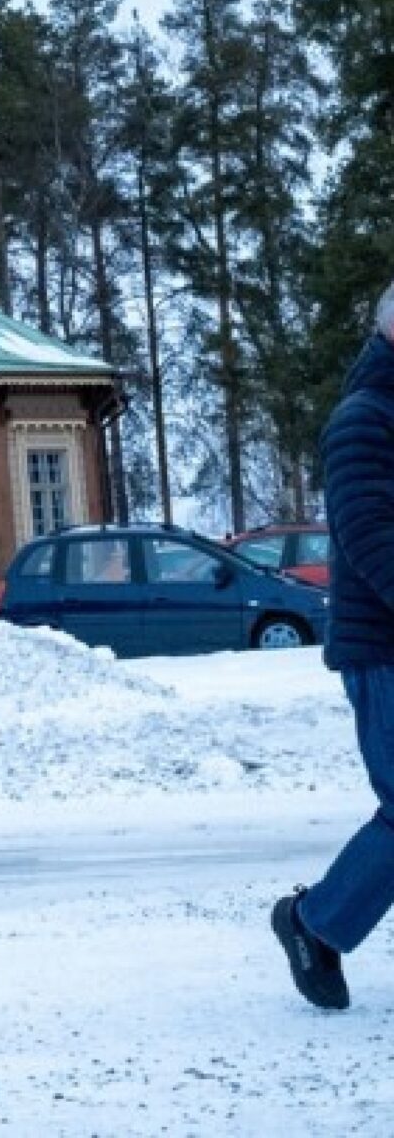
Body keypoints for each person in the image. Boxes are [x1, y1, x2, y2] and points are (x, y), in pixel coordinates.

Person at [272, 282, 394, 1010]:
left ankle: (318, 922)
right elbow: (371, 538)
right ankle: (314, 922)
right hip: (383, 649)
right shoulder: (364, 419)